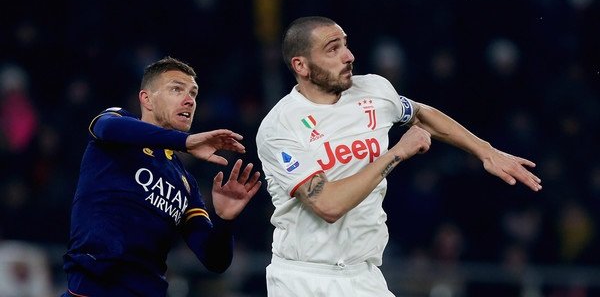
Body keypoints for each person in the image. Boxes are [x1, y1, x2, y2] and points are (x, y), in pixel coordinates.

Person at [256, 16, 542, 297]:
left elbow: (421, 114)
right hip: (304, 279)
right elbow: (328, 204)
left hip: (363, 275)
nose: (348, 56)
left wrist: (485, 151)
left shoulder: (374, 91)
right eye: (333, 49)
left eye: (346, 44)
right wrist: (397, 153)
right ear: (301, 65)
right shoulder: (280, 126)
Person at [62, 56, 261, 296]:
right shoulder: (116, 127)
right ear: (146, 98)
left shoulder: (185, 183)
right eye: (176, 89)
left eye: (194, 94)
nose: (189, 101)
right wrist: (186, 142)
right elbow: (106, 128)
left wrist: (224, 219)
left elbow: (215, 260)